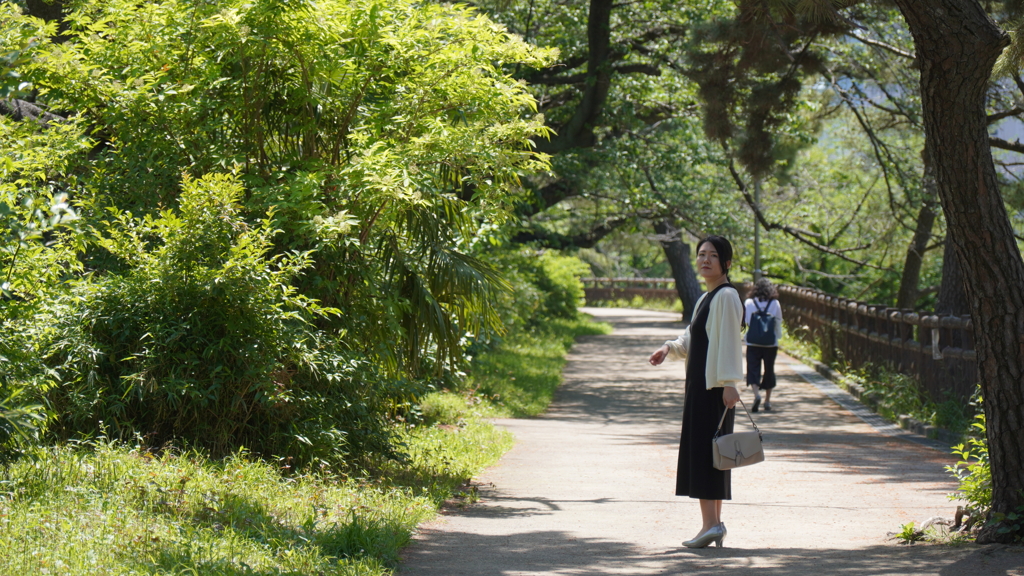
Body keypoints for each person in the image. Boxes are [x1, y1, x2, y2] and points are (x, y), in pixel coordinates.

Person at [648, 235, 743, 549]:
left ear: (726, 263)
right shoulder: (708, 297)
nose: (705, 260)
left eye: (713, 255)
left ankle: (709, 525)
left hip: (713, 390)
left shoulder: (726, 296)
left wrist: (730, 383)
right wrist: (669, 348)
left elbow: (730, 341)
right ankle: (714, 524)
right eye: (701, 254)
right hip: (701, 388)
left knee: (707, 456)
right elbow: (692, 336)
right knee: (713, 456)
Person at [743, 278, 783, 412]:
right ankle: (767, 400)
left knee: (753, 369)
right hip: (770, 343)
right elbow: (778, 321)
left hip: (753, 342)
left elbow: (747, 321)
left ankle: (756, 395)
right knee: (769, 369)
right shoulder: (775, 303)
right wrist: (778, 337)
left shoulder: (749, 302)